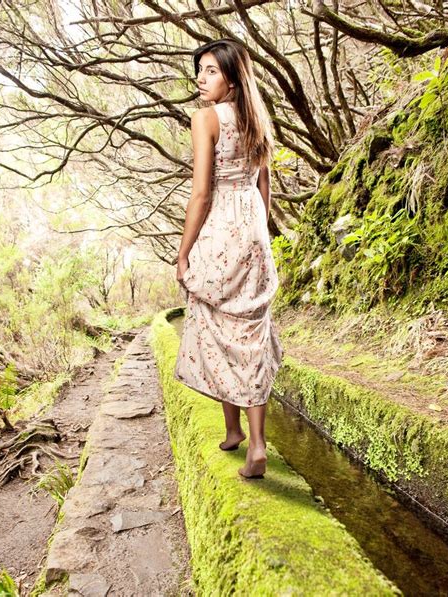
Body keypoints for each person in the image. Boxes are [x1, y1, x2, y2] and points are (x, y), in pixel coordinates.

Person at [173, 38, 283, 479]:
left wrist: (182, 254)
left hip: (220, 225)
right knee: (250, 332)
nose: (201, 78)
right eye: (199, 69)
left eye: (211, 71)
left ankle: (237, 430)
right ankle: (250, 440)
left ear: (233, 78)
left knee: (217, 324)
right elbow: (264, 188)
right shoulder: (257, 118)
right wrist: (260, 236)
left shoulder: (205, 119)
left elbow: (201, 193)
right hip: (254, 230)